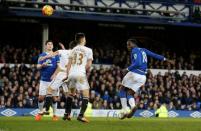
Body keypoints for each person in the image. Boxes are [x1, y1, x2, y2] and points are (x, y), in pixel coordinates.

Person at [119, 38, 174, 119]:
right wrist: (167, 60)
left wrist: (127, 69)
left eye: (128, 44)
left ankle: (124, 110)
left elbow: (138, 63)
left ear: (133, 44)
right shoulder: (144, 50)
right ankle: (133, 106)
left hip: (134, 73)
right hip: (142, 77)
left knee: (122, 89)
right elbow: (155, 55)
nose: (127, 46)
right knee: (130, 93)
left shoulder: (134, 50)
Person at [63, 33, 93, 123]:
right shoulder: (88, 50)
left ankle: (67, 114)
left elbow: (68, 65)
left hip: (71, 74)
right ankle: (81, 116)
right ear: (83, 39)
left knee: (71, 94)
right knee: (86, 94)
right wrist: (83, 70)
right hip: (80, 74)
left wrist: (68, 75)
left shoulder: (73, 50)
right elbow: (89, 65)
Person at [35, 40, 60, 121]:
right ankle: (40, 113)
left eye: (51, 44)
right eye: (48, 44)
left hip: (54, 80)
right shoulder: (42, 55)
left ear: (52, 46)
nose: (50, 45)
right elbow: (37, 66)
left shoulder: (56, 55)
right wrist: (42, 65)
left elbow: (59, 67)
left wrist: (54, 74)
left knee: (54, 98)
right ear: (46, 46)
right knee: (41, 98)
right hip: (44, 80)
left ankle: (55, 115)